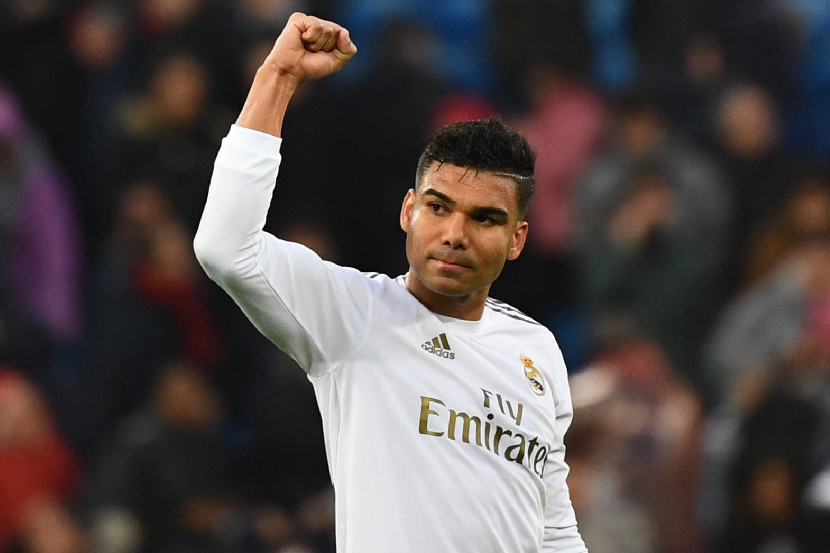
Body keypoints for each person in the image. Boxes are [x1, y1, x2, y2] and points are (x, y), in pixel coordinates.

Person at [193, 13, 587, 553]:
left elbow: (554, 529)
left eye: (484, 219)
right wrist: (278, 77)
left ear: (517, 239)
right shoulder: (355, 315)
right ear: (408, 211)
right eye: (438, 207)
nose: (454, 235)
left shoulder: (536, 350)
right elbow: (225, 246)